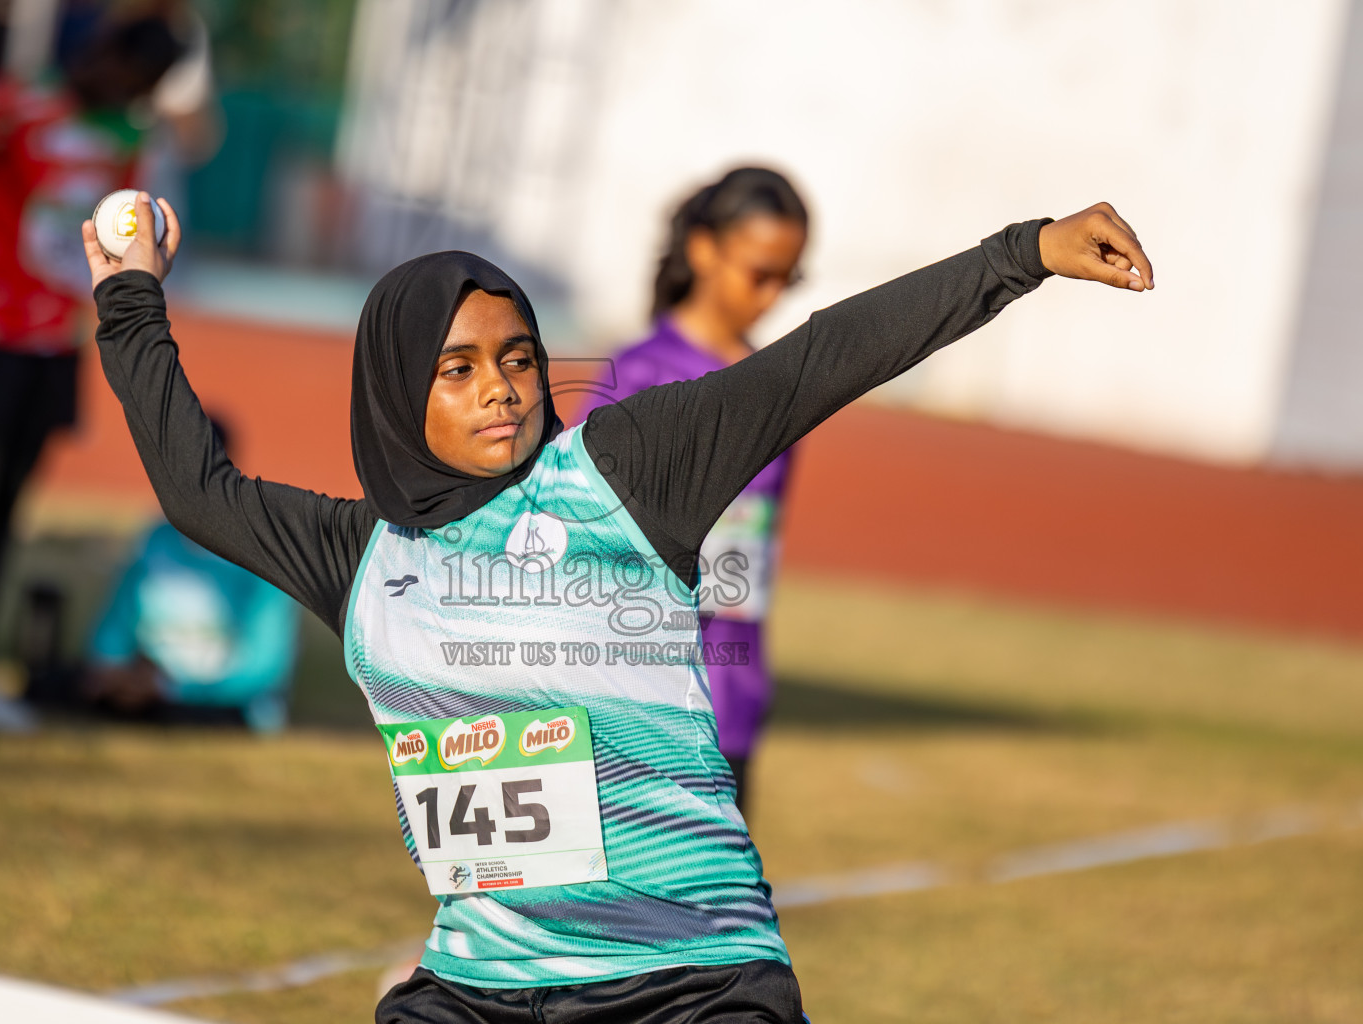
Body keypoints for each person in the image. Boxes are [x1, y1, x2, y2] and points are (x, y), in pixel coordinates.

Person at [83, 192, 1152, 1021]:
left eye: (517, 358)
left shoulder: (622, 472)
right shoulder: (358, 557)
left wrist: (1021, 254)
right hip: (484, 987)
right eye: (457, 369)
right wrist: (130, 292)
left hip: (692, 979)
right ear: (396, 392)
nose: (502, 387)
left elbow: (816, 363)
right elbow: (198, 491)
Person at [0, 17, 183, 690]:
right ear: (106, 52)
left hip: (54, 339)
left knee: (9, 496)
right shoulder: (11, 102)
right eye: (132, 77)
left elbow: (119, 234)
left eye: (147, 88)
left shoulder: (132, 135)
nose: (132, 95)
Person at [583, 167, 808, 816]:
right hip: (636, 710)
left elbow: (753, 558)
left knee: (716, 914)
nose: (771, 297)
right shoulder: (635, 376)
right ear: (705, 249)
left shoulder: (779, 389)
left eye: (786, 278)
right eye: (758, 273)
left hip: (731, 708)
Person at [84, 419, 301, 733]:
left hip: (222, 707)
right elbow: (112, 633)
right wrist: (113, 672)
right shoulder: (154, 540)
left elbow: (264, 667)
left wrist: (171, 687)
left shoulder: (262, 550)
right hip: (147, 694)